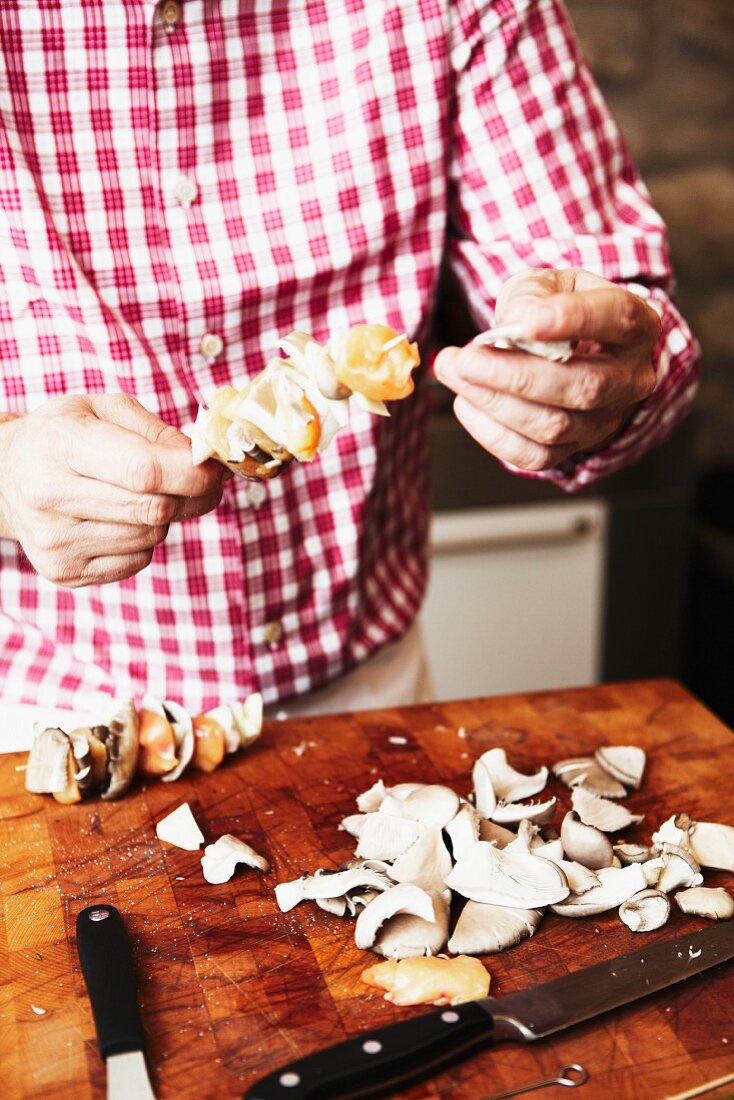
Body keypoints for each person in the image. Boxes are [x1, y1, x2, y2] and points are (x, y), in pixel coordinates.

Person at [0, 0, 699, 721]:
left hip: (370, 698)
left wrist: (602, 371)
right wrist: (7, 471)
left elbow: (621, 309)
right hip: (38, 703)